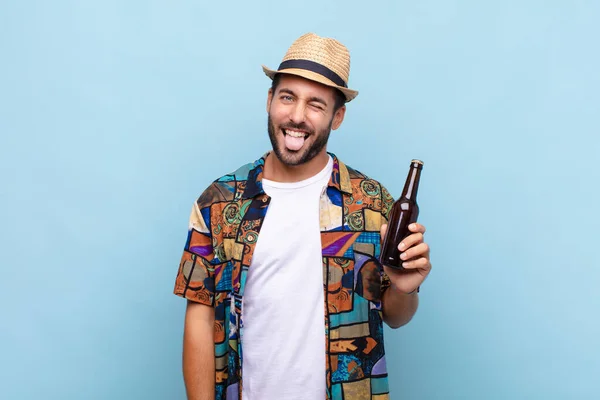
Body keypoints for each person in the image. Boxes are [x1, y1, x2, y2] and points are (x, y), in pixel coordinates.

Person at [173, 33, 432, 400]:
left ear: (337, 117)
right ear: (269, 100)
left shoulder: (372, 204)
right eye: (287, 97)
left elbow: (395, 316)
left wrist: (405, 289)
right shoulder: (219, 202)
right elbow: (198, 319)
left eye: (315, 104)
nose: (296, 116)